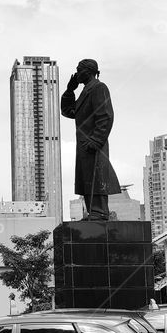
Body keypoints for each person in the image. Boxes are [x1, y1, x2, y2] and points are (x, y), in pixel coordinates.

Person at [61, 59, 122, 220]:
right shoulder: (85, 91)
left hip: (94, 143)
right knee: (86, 179)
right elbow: (68, 111)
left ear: (87, 72)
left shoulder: (98, 88)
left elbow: (105, 116)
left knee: (97, 176)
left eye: (78, 70)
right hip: (84, 145)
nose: (76, 74)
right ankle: (92, 212)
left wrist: (96, 140)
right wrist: (69, 90)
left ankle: (100, 212)